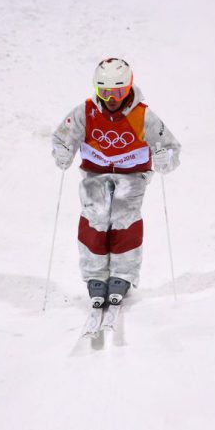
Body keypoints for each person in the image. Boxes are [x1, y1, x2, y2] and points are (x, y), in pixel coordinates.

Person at [52, 58, 181, 308]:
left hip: (132, 175)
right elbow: (61, 138)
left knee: (124, 215)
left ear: (129, 87)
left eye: (119, 92)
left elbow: (171, 147)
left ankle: (123, 273)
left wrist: (165, 158)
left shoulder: (143, 116)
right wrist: (63, 152)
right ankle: (95, 274)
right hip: (95, 173)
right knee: (95, 215)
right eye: (105, 92)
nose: (112, 99)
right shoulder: (85, 112)